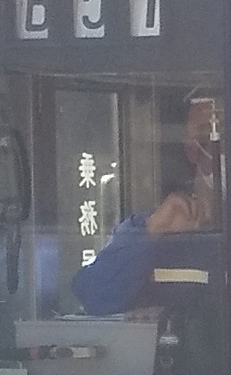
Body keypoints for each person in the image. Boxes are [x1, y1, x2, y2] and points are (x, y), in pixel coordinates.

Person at [72, 93, 220, 316]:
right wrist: (152, 230)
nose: (217, 144)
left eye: (223, 133)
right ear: (190, 146)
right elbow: (96, 297)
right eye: (207, 133)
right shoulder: (151, 228)